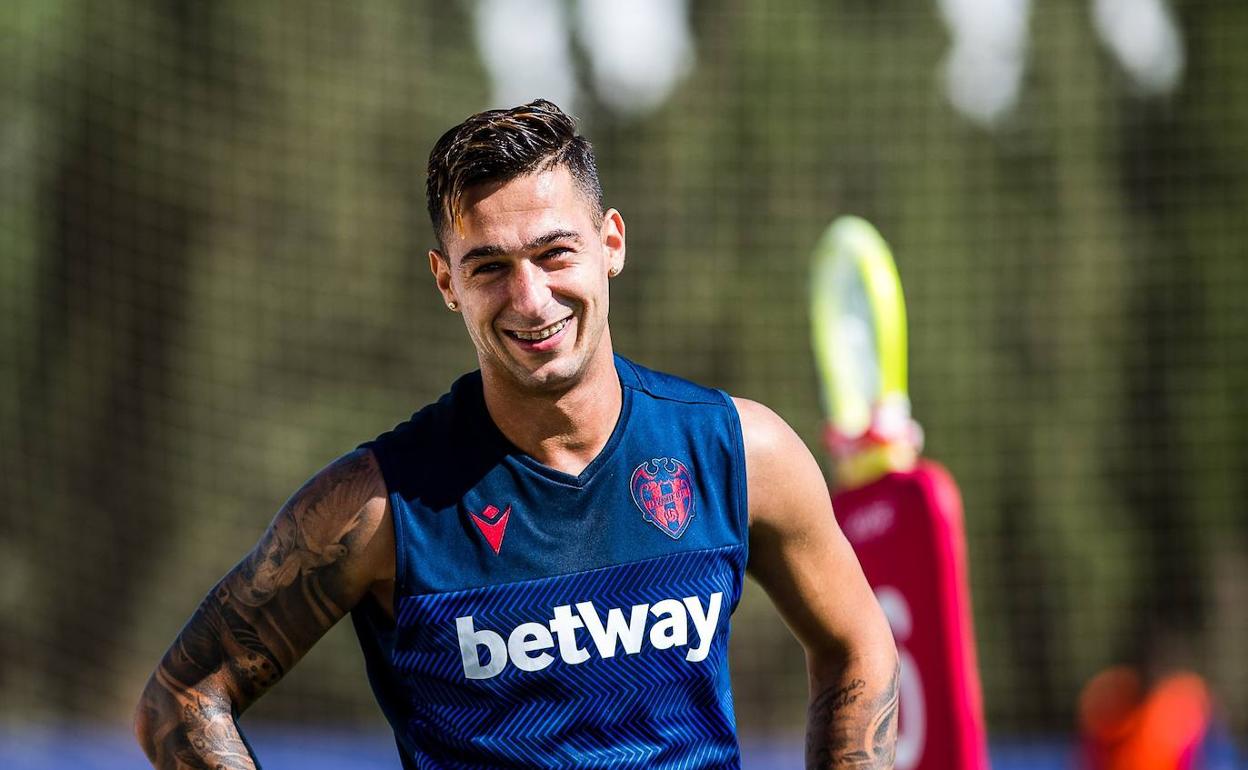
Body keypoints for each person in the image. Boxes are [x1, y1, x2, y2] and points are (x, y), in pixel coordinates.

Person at [134, 99, 899, 770]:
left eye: (554, 252)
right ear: (446, 282)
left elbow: (857, 645)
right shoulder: (376, 508)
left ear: (611, 244)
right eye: (490, 267)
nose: (530, 300)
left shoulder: (740, 451)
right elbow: (181, 699)